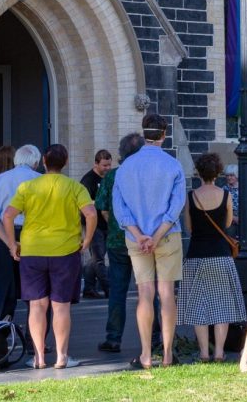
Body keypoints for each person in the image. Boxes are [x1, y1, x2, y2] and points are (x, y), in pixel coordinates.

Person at [3, 144, 97, 370]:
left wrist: (11, 243)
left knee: (36, 305)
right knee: (61, 306)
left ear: (44, 161)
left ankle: (39, 357)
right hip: (64, 251)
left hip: (33, 250)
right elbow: (91, 213)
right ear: (65, 163)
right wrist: (88, 239)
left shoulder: (28, 186)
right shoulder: (74, 186)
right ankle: (61, 357)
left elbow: (7, 215)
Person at [112, 114, 186, 369]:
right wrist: (155, 236)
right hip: (166, 235)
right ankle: (167, 354)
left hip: (136, 237)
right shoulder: (173, 165)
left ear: (144, 133)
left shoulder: (125, 167)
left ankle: (145, 354)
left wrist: (139, 233)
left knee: (145, 293)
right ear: (164, 135)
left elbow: (119, 208)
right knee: (166, 293)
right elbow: (176, 206)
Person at [177, 153, 246, 362]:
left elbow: (188, 228)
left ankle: (204, 353)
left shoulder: (191, 197)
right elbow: (226, 225)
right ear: (218, 172)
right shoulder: (225, 196)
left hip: (196, 255)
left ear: (198, 172)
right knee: (222, 306)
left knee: (199, 306)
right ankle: (219, 353)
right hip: (220, 255)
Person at [96, 133, 161, 354]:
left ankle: (113, 337)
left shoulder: (113, 175)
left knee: (118, 291)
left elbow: (102, 205)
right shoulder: (149, 173)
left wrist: (114, 222)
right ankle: (155, 337)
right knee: (148, 289)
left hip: (118, 239)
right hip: (147, 238)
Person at [0, 144, 41, 323]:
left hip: (5, 235)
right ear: (36, 162)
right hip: (33, 237)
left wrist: (9, 243)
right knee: (37, 293)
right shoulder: (40, 180)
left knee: (2, 291)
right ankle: (36, 341)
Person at [80, 149, 112, 299]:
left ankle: (89, 288)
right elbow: (83, 203)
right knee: (99, 258)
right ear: (96, 163)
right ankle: (109, 289)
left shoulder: (107, 178)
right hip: (93, 224)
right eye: (104, 165)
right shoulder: (88, 181)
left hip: (106, 224)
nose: (107, 168)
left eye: (109, 165)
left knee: (95, 258)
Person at [223, 164, 239, 236]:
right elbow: (222, 207)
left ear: (236, 175)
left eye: (232, 175)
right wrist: (233, 217)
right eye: (227, 175)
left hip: (242, 217)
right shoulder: (223, 189)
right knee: (230, 240)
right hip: (229, 217)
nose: (229, 177)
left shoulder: (243, 187)